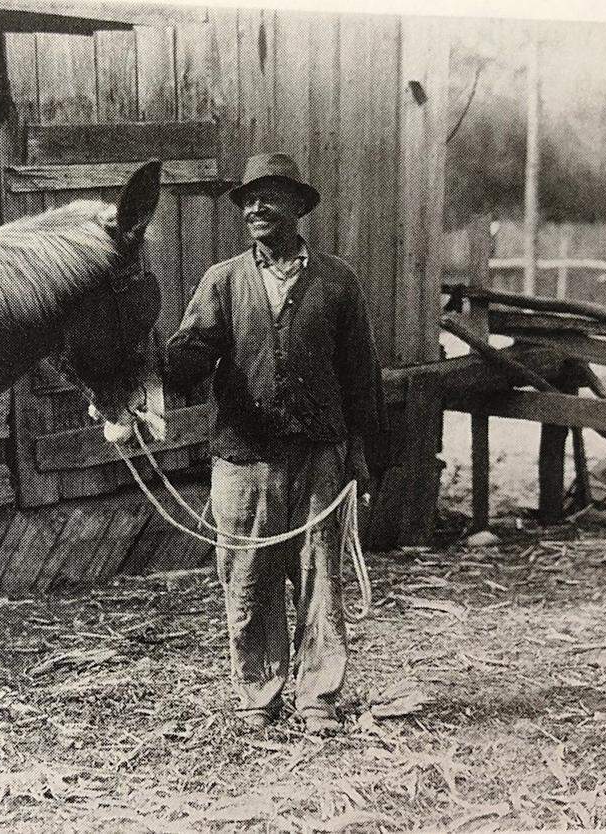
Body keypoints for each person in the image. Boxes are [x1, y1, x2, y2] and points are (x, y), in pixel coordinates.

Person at [165, 152, 388, 735]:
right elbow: (187, 359)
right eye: (249, 200)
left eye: (270, 197)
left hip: (320, 454)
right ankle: (259, 695)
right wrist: (144, 366)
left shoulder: (338, 283)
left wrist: (362, 451)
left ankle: (318, 696)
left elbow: (361, 374)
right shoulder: (223, 281)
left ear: (298, 208)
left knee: (321, 578)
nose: (257, 208)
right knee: (247, 577)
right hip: (244, 458)